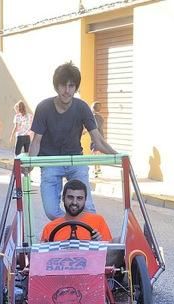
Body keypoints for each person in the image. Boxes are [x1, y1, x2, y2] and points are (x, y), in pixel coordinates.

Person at [29, 61, 118, 220]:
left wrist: (119, 157)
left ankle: (82, 236)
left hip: (74, 160)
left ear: (76, 88)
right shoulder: (44, 107)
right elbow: (36, 141)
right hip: (51, 162)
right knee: (51, 211)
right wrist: (28, 164)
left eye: (71, 86)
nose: (67, 91)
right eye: (63, 86)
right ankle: (70, 231)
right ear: (56, 87)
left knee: (88, 210)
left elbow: (98, 140)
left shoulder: (82, 107)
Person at [40, 179, 112, 242]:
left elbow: (110, 252)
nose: (74, 202)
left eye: (79, 198)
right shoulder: (50, 228)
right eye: (70, 197)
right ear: (63, 198)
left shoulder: (98, 221)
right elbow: (42, 255)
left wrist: (98, 243)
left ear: (85, 200)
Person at [91, 101, 105, 177]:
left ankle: (96, 170)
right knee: (97, 153)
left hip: (95, 137)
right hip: (101, 136)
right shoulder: (101, 117)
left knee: (95, 154)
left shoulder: (93, 117)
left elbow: (94, 127)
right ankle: (98, 168)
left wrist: (85, 131)